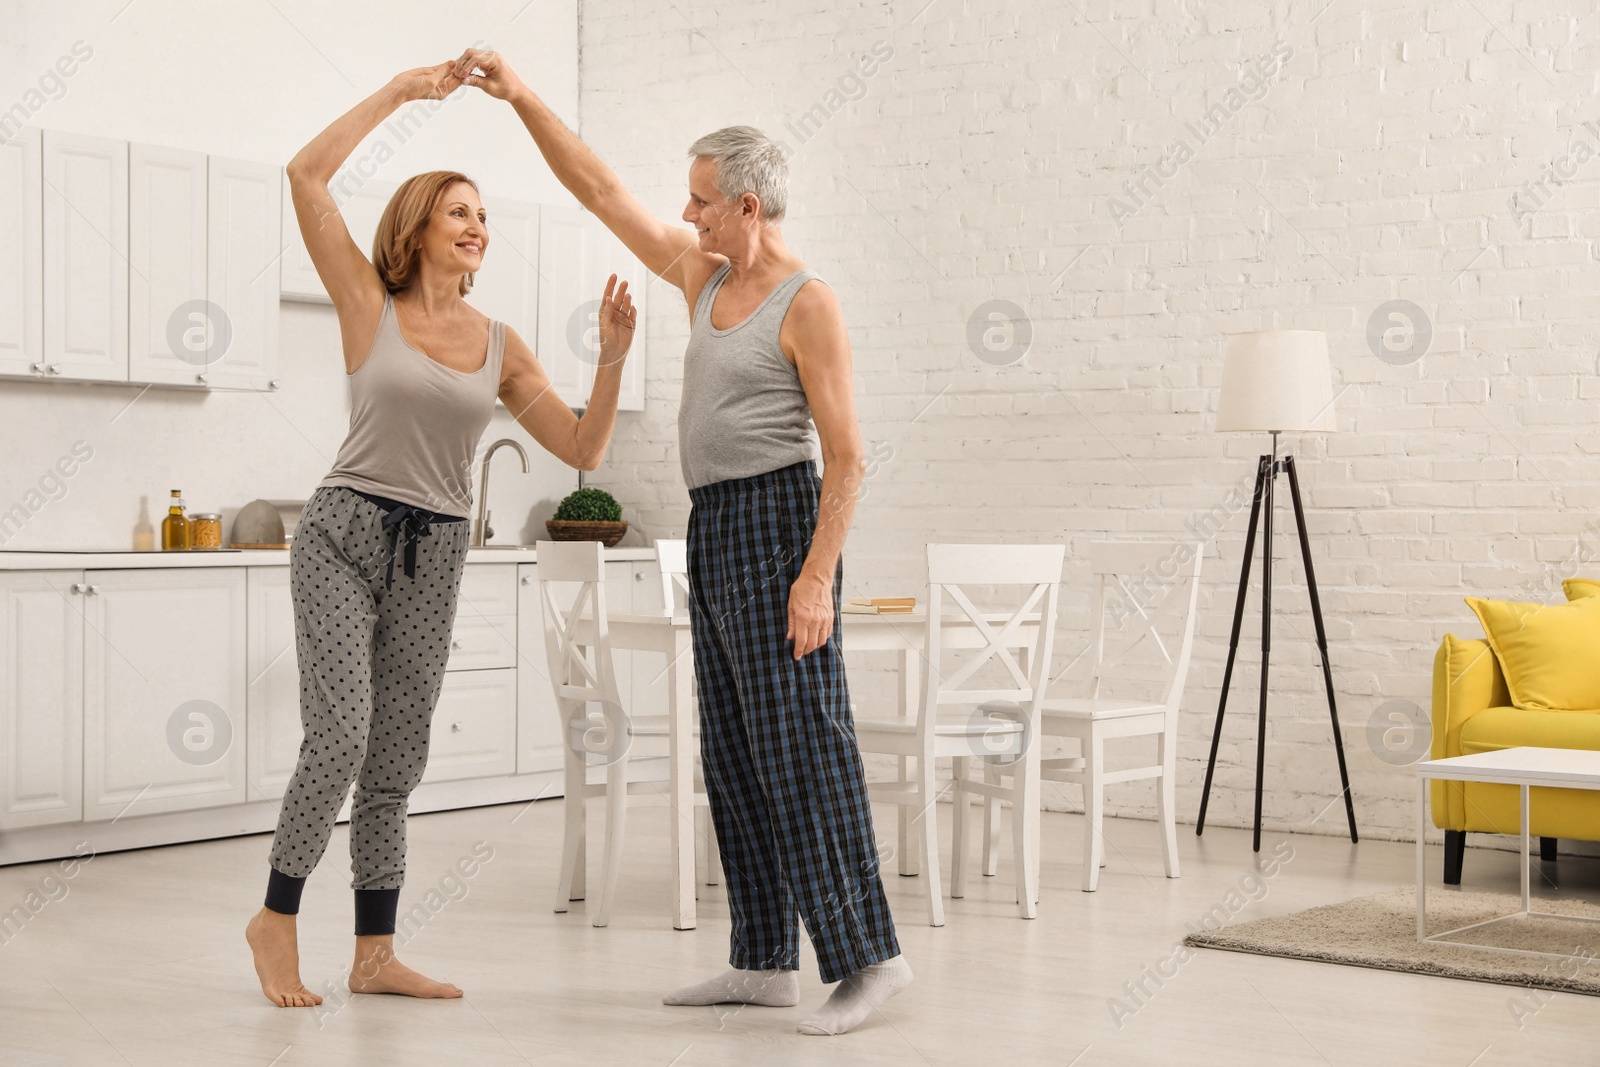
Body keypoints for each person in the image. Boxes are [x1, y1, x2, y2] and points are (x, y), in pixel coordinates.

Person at [450, 49, 910, 1037]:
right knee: (736, 750)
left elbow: (849, 457)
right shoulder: (702, 277)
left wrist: (817, 574)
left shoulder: (807, 302)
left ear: (748, 203)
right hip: (714, 527)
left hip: (783, 521)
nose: (688, 216)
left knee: (804, 749)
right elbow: (600, 191)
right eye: (690, 203)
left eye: (703, 202)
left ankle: (869, 959)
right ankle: (760, 959)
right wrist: (524, 97)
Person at [245, 60, 635, 1008]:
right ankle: (277, 916)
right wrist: (401, 92)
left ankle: (374, 953)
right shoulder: (366, 304)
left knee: (397, 755)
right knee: (338, 736)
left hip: (438, 551)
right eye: (459, 212)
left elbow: (580, 441)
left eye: (485, 216)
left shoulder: (502, 346)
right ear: (417, 228)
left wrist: (613, 362)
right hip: (343, 533)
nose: (477, 227)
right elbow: (305, 177)